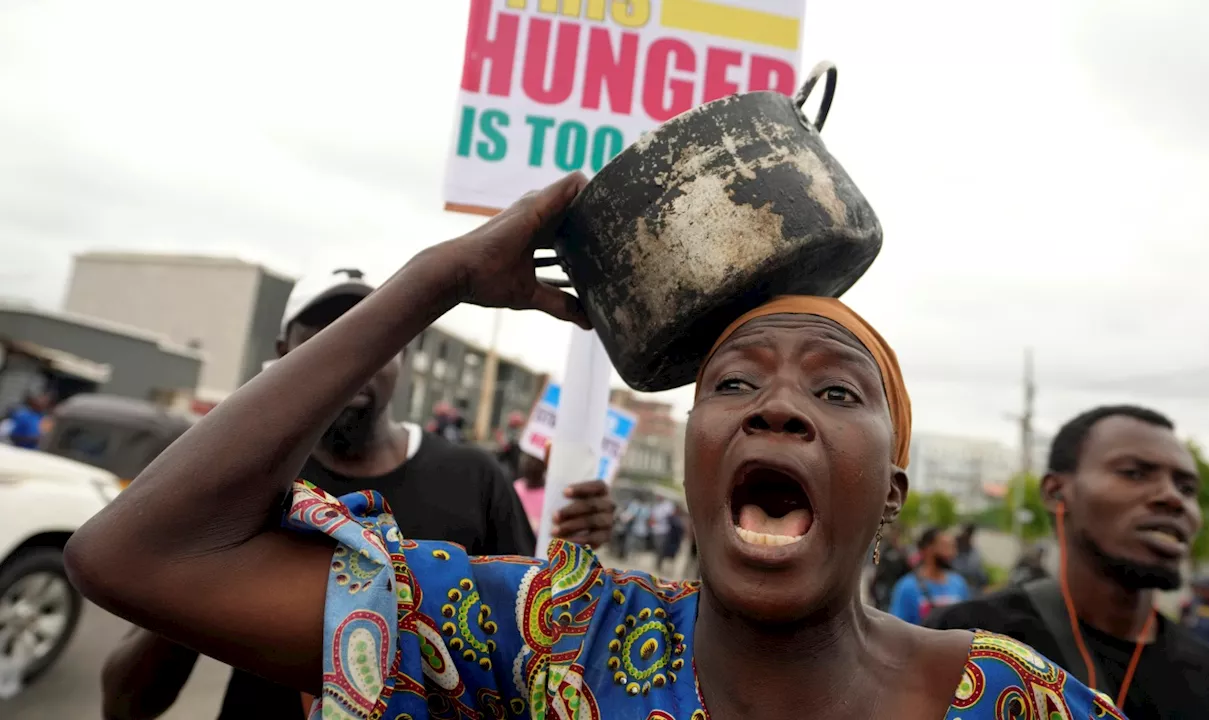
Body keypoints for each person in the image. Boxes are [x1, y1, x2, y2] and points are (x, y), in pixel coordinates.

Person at [66, 174, 1116, 720]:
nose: (774, 407)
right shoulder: (554, 641)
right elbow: (137, 558)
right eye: (734, 383)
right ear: (698, 459)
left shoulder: (1019, 700)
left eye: (835, 389)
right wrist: (431, 283)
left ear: (890, 495)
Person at [98, 265, 616, 720]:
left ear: (403, 355)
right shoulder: (245, 486)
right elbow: (128, 703)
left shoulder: (475, 477)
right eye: (323, 342)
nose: (349, 360)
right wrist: (197, 557)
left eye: (369, 338)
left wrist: (571, 546)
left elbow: (530, 644)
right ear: (284, 357)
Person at [927, 405, 1209, 719]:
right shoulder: (963, 642)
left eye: (1187, 488)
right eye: (1135, 473)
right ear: (1056, 492)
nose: (1172, 497)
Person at [889, 526, 970, 624]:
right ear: (928, 549)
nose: (952, 553)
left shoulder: (959, 583)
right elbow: (896, 627)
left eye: (953, 547)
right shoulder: (907, 587)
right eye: (946, 546)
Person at [869, 522, 911, 610]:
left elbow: (907, 569)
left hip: (896, 585)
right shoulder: (885, 549)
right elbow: (879, 567)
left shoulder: (903, 552)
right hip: (885, 585)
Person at [513, 450, 547, 534]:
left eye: (534, 459)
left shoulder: (549, 494)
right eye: (526, 457)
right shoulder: (515, 489)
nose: (528, 463)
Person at [953, 523, 990, 594]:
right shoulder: (952, 550)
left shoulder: (975, 553)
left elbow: (980, 573)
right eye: (966, 532)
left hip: (973, 592)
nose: (967, 536)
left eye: (970, 534)